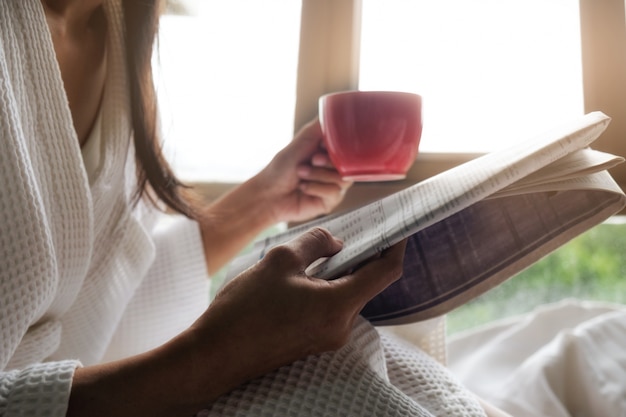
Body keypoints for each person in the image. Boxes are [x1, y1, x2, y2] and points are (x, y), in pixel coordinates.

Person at [0, 1, 509, 416]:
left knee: (364, 353)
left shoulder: (118, 24)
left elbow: (91, 304)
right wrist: (218, 353)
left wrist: (266, 197)